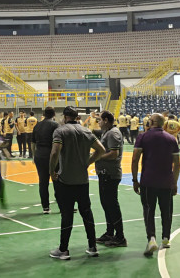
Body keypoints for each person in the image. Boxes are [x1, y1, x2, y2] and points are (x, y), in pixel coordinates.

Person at [48, 106, 106, 260]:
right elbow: (101, 150)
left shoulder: (60, 131)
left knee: (67, 215)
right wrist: (88, 162)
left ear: (65, 117)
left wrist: (51, 171)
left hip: (66, 181)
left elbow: (55, 152)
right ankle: (92, 246)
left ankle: (63, 250)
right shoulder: (86, 131)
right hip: (82, 181)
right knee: (87, 213)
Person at [132, 113, 180, 255]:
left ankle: (151, 238)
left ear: (151, 122)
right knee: (167, 210)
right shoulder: (171, 139)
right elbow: (177, 164)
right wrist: (175, 182)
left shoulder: (143, 137)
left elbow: (135, 160)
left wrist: (135, 180)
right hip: (166, 181)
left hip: (148, 181)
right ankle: (166, 238)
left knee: (148, 210)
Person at [96, 111, 126, 248]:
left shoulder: (113, 133)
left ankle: (120, 236)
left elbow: (114, 154)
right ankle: (110, 232)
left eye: (100, 120)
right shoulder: (107, 132)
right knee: (106, 204)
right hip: (104, 173)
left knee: (112, 205)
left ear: (106, 120)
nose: (99, 123)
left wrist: (97, 157)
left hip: (110, 173)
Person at [32, 107, 59, 214]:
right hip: (52, 155)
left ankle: (45, 207)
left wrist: (34, 156)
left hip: (39, 155)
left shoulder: (37, 125)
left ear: (44, 114)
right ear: (54, 114)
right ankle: (62, 205)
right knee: (57, 180)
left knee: (43, 182)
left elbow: (33, 143)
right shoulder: (55, 125)